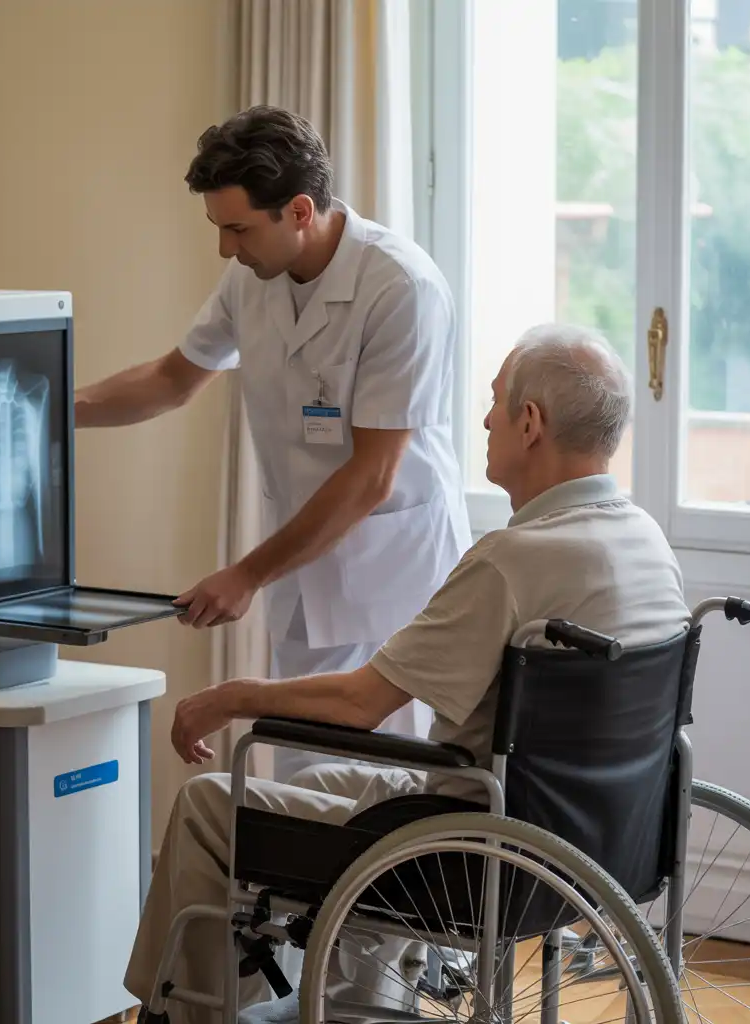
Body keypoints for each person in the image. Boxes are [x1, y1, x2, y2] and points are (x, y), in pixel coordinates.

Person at [122, 323, 692, 1024]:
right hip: (600, 845)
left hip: (472, 859)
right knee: (320, 783)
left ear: (531, 422)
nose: (484, 419)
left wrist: (233, 697)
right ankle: (351, 1000)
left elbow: (361, 702)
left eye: (494, 402)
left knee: (212, 804)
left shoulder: (515, 560)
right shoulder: (646, 542)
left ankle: (182, 1012)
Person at [74, 105, 471, 781]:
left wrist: (246, 574)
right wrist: (53, 414)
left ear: (297, 210)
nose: (225, 249)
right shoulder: (251, 278)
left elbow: (374, 474)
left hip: (390, 589)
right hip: (303, 578)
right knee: (303, 792)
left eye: (237, 229)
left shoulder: (399, 288)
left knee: (383, 802)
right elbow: (172, 380)